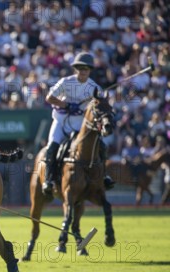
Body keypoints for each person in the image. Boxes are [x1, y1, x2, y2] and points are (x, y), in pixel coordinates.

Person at [42, 52, 115, 195]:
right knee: (52, 146)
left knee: (101, 146)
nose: (82, 72)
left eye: (85, 69)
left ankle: (104, 176)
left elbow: (100, 105)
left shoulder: (95, 88)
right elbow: (49, 98)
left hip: (80, 125)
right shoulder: (65, 82)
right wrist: (66, 105)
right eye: (80, 68)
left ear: (90, 70)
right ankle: (48, 179)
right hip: (61, 121)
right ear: (76, 69)